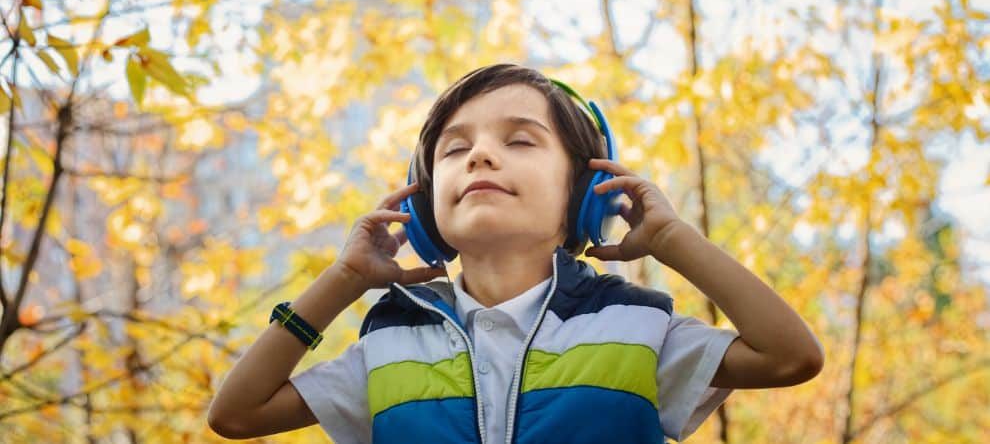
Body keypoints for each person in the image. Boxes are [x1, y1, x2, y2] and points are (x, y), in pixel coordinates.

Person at [208, 64, 824, 443]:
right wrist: (343, 281)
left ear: (585, 193)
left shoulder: (636, 331)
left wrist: (671, 240)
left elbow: (790, 356)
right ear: (425, 211)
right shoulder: (388, 348)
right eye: (454, 149)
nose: (479, 155)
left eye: (520, 140)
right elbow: (235, 413)